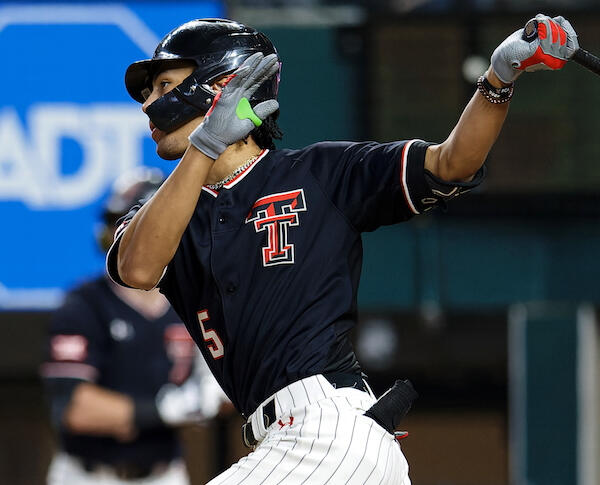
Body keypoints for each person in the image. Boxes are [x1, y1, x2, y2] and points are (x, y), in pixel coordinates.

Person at [106, 15, 578, 484]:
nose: (149, 103)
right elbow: (138, 268)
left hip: (328, 431)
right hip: (291, 444)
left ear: (222, 84)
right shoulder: (166, 216)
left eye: (163, 83)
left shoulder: (319, 173)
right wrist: (206, 145)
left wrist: (497, 80)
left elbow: (451, 163)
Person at [42, 168, 228, 485]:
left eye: (157, 223)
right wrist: (165, 410)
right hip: (89, 475)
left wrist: (214, 394)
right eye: (128, 223)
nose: (146, 236)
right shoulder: (85, 304)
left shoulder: (199, 301)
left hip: (164, 473)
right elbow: (75, 409)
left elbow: (222, 392)